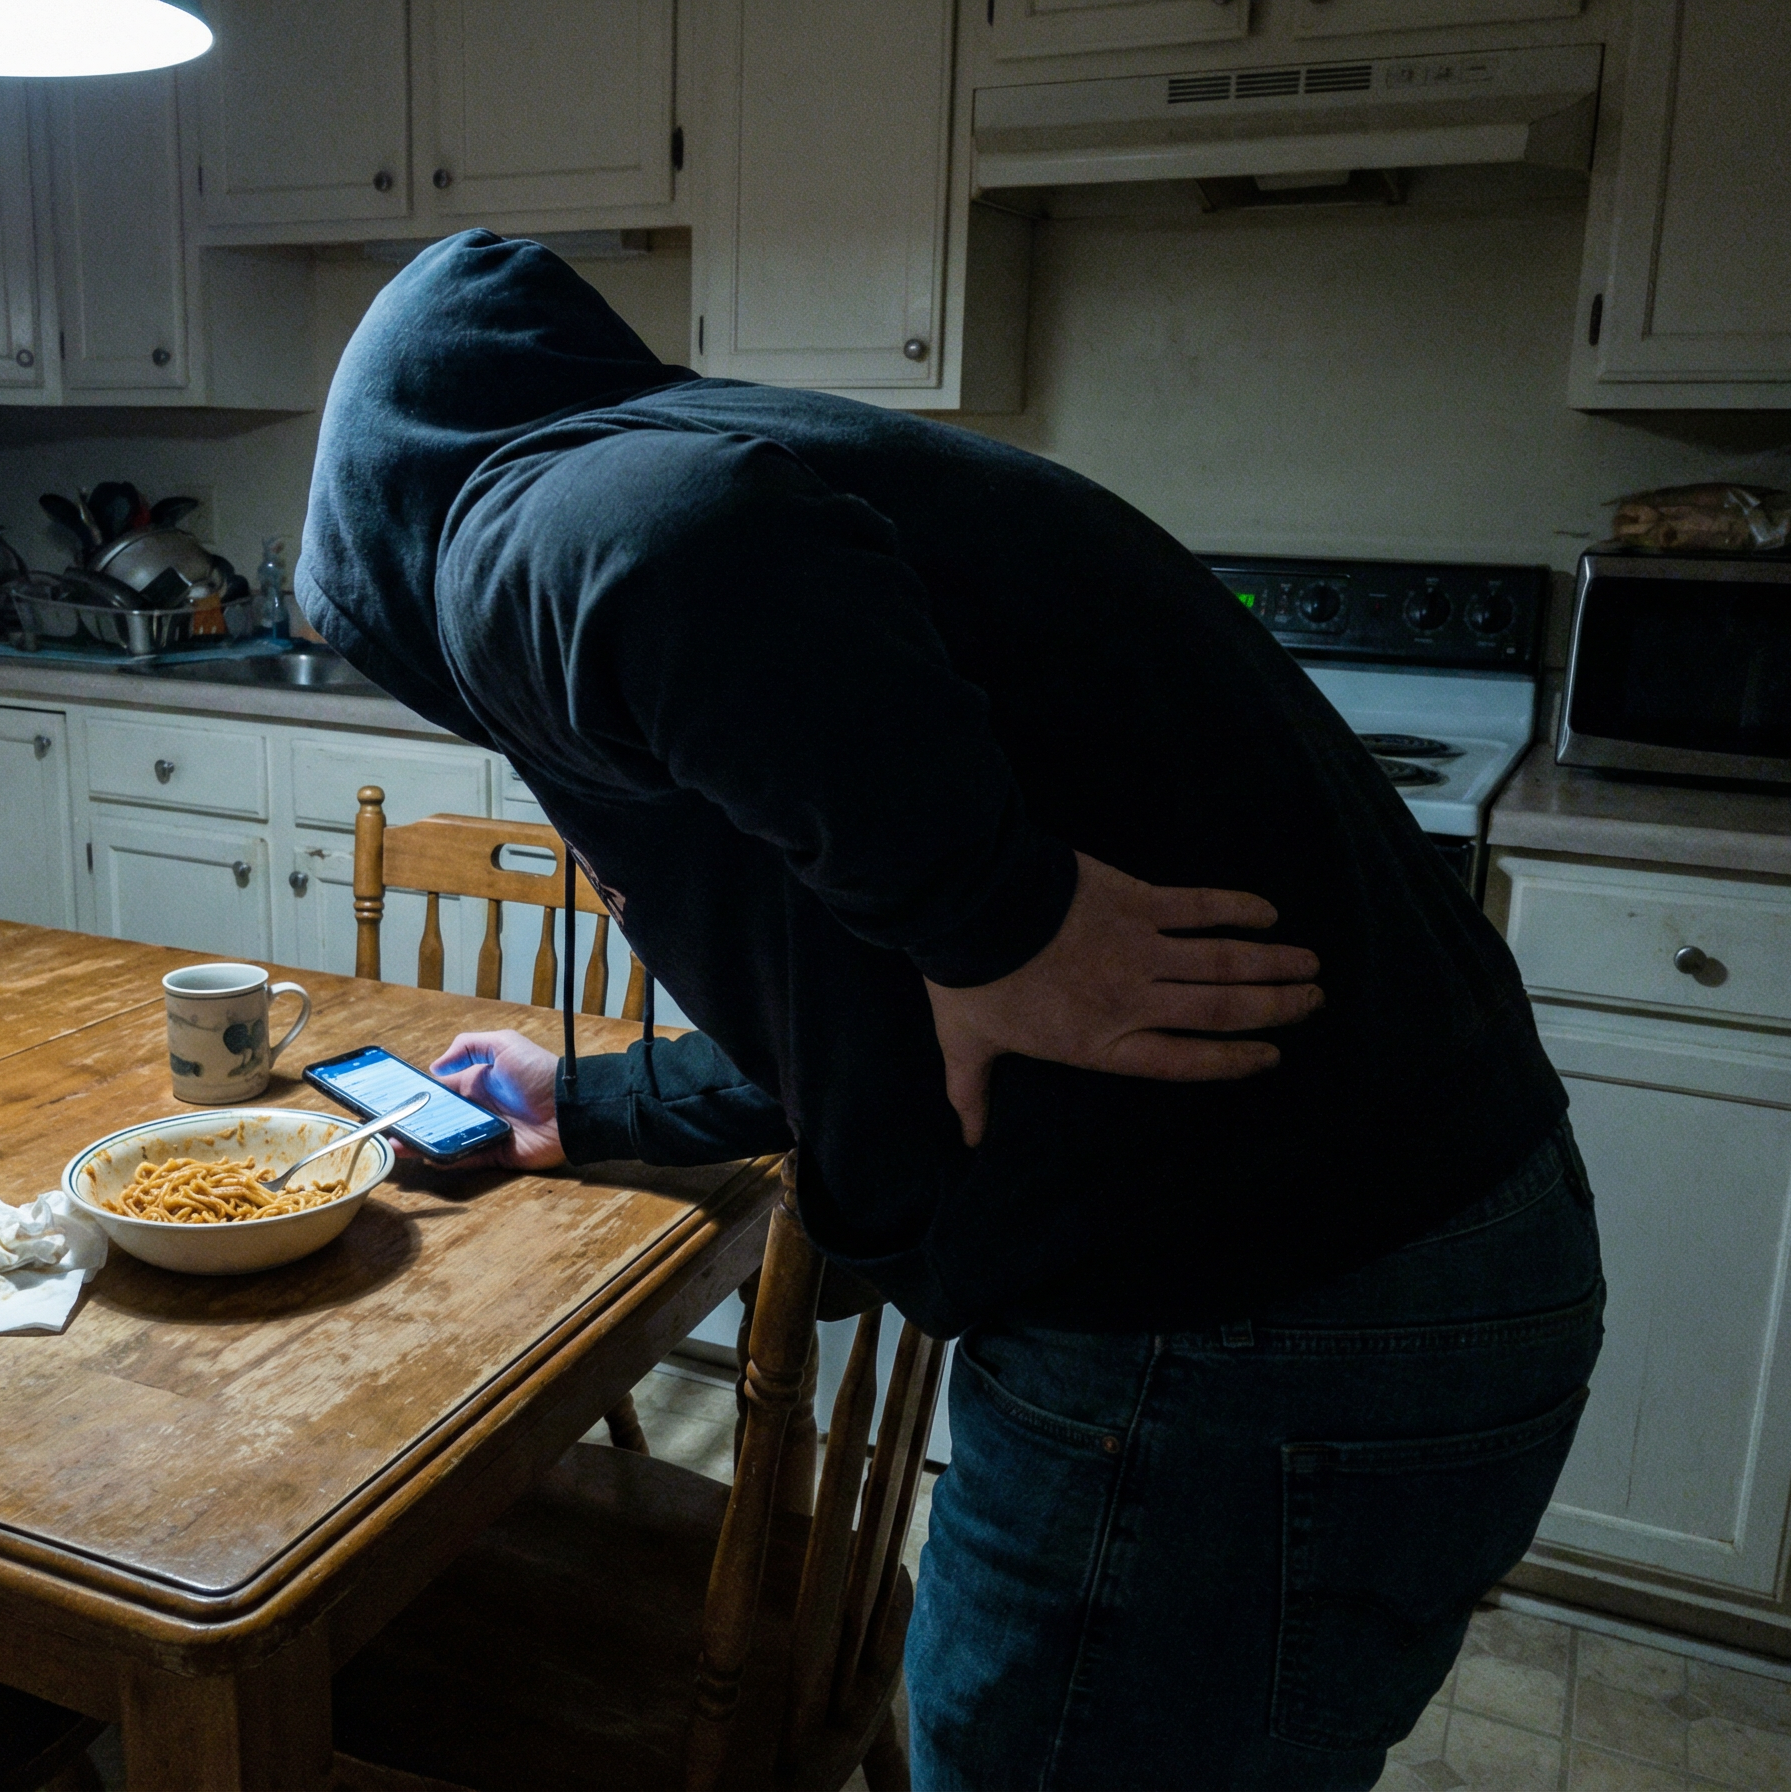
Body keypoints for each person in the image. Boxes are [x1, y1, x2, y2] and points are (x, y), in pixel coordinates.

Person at [297, 229, 1603, 1791]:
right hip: (1391, 1272)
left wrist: (1000, 920)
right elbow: (858, 1005)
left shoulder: (513, 527)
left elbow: (679, 541)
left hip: (1240, 1330)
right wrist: (586, 1104)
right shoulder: (796, 482)